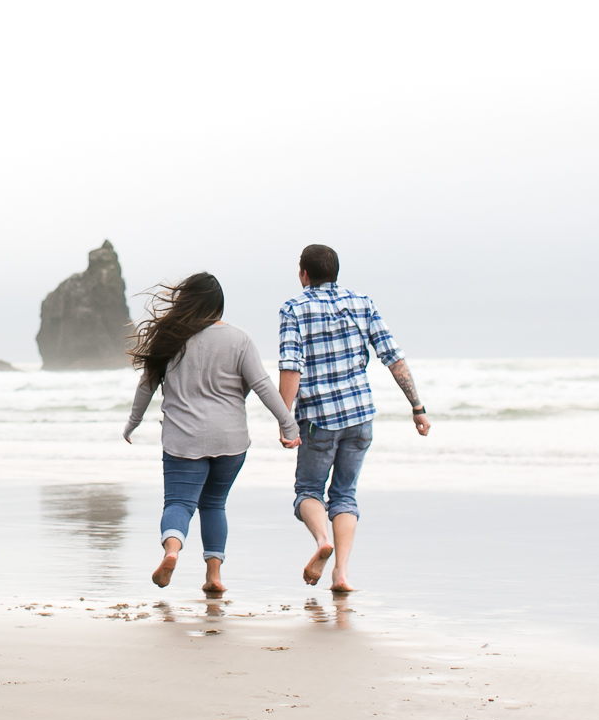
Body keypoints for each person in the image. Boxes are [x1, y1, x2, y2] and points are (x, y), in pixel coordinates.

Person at [124, 271, 300, 595]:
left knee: (178, 502)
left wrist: (132, 423)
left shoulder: (169, 337)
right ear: (218, 305)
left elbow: (146, 385)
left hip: (182, 439)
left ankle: (172, 551)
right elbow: (261, 385)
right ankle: (213, 575)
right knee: (214, 504)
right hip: (231, 440)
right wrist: (288, 424)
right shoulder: (240, 339)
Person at [279, 243, 430, 592]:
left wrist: (285, 418)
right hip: (360, 415)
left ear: (303, 274)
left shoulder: (294, 308)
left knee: (309, 491)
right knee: (345, 495)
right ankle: (342, 574)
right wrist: (417, 407)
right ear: (336, 272)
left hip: (319, 419)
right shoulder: (362, 302)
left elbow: (291, 365)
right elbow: (393, 357)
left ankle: (321, 542)